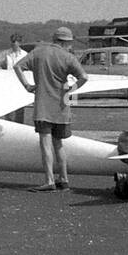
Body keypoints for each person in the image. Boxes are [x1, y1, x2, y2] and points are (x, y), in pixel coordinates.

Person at [14, 26, 87, 192]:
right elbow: (84, 77)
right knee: (59, 144)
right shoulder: (68, 57)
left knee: (45, 144)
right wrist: (72, 89)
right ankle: (64, 179)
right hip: (62, 107)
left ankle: (49, 180)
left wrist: (27, 85)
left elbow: (17, 66)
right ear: (65, 42)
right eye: (69, 43)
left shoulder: (39, 52)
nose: (70, 46)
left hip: (43, 106)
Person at [0, 34, 30, 123]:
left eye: (15, 42)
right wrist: (0, 69)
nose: (13, 43)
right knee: (8, 103)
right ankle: (8, 122)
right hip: (8, 81)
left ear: (19, 43)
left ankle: (19, 123)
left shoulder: (25, 55)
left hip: (20, 82)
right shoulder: (6, 53)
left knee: (20, 105)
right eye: (12, 41)